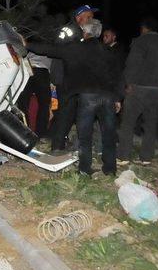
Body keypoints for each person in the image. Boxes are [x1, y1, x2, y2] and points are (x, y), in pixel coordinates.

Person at [27, 18, 123, 176]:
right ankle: (110, 169)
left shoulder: (76, 48)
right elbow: (119, 76)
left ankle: (85, 169)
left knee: (84, 136)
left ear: (85, 32)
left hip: (87, 97)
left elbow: (50, 50)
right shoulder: (108, 51)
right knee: (108, 134)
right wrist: (118, 97)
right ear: (98, 33)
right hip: (108, 97)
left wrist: (27, 44)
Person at [117, 17, 158, 166]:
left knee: (128, 122)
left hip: (138, 88)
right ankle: (146, 158)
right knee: (150, 125)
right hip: (157, 90)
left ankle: (124, 156)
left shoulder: (140, 41)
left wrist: (128, 83)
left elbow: (131, 64)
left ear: (144, 28)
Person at [49, 4, 98, 153]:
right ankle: (56, 147)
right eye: (88, 17)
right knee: (65, 112)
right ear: (78, 17)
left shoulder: (84, 34)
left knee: (69, 113)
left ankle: (60, 143)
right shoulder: (69, 30)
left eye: (92, 17)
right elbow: (59, 48)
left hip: (74, 79)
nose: (91, 20)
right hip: (64, 77)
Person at [17, 49, 52, 138]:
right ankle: (41, 133)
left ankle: (24, 133)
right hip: (42, 72)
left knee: (23, 104)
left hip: (28, 70)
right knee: (44, 105)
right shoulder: (49, 49)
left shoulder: (29, 48)